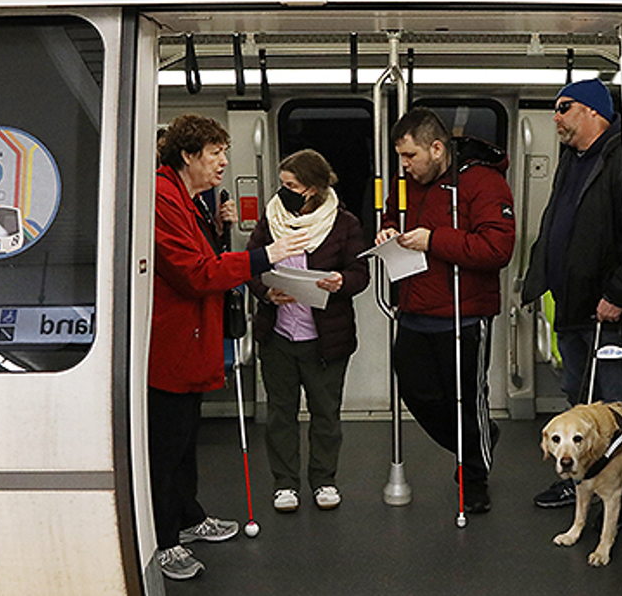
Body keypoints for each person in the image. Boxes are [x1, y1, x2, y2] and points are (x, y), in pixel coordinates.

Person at [151, 114, 309, 580]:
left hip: (193, 338)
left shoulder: (192, 199)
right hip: (172, 341)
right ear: (187, 155)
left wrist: (219, 231)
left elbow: (208, 257)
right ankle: (163, 541)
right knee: (166, 446)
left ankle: (189, 517)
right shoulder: (162, 198)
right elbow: (196, 273)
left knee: (185, 440)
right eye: (215, 152)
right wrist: (266, 256)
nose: (223, 161)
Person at [375, 107, 515, 514]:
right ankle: (479, 438)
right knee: (417, 392)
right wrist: (387, 230)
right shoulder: (408, 184)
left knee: (465, 399)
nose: (405, 165)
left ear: (437, 149)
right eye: (401, 157)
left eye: (410, 156)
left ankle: (474, 478)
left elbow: (497, 249)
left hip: (463, 313)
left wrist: (434, 240)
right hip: (414, 308)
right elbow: (392, 216)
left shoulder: (484, 183)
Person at [521, 79, 622, 509]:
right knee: (576, 405)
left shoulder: (619, 157)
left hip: (605, 310)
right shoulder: (572, 158)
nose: (557, 117)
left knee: (611, 412)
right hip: (570, 306)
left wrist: (618, 292)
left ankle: (617, 495)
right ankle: (579, 480)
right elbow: (557, 221)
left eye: (564, 108)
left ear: (592, 111)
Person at [245, 149, 369, 513]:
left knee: (325, 413)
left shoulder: (344, 224)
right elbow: (251, 265)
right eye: (282, 184)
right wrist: (266, 291)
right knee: (280, 414)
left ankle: (323, 479)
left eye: (291, 185)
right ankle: (285, 483)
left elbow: (360, 275)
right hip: (279, 334)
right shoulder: (272, 219)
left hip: (326, 339)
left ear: (313, 189)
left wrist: (340, 281)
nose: (283, 191)